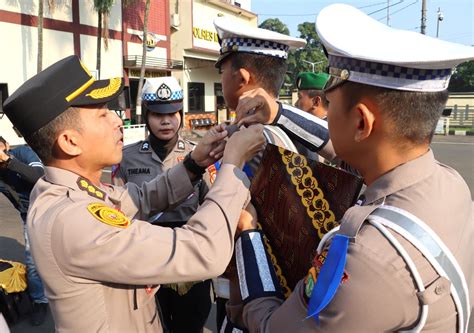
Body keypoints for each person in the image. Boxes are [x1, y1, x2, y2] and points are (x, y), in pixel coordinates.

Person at [224, 4, 474, 332]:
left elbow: (275, 327)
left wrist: (249, 234)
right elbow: (332, 145)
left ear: (360, 121)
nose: (324, 115)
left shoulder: (366, 258)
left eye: (330, 104)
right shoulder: (450, 183)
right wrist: (280, 113)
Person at [2, 55, 265, 332]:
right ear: (70, 141)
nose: (118, 122)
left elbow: (140, 198)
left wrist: (193, 163)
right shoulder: (72, 219)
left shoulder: (72, 191)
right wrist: (233, 166)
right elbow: (202, 250)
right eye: (103, 113)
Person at [112, 77, 213, 333]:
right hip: (146, 253)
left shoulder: (198, 155)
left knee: (191, 323)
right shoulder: (126, 157)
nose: (166, 121)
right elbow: (119, 209)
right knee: (150, 324)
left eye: (172, 113)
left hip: (189, 253)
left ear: (181, 113)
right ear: (146, 115)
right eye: (157, 114)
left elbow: (211, 206)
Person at [0, 136, 49, 326]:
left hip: (53, 209)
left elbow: (38, 176)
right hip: (28, 216)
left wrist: (9, 161)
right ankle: (40, 300)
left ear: (7, 146)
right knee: (33, 260)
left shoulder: (22, 153)